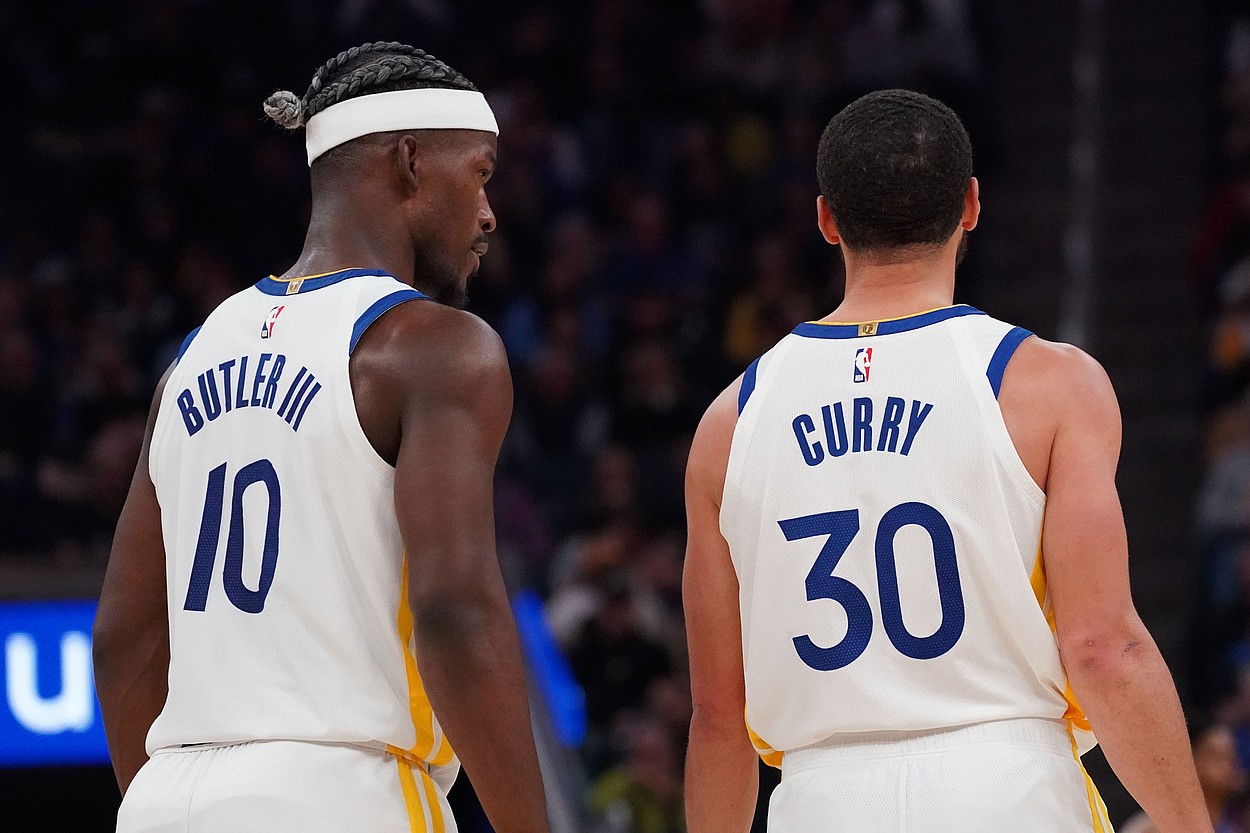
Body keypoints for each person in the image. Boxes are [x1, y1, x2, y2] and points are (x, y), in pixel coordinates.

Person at [682, 89, 1211, 833]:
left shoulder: (729, 421)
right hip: (1007, 783)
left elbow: (715, 714)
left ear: (827, 219)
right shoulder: (1050, 383)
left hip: (818, 797)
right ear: (970, 206)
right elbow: (1102, 646)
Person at [92, 41, 550, 833]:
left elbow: (122, 637)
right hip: (343, 791)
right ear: (409, 161)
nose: (488, 213)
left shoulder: (191, 358)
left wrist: (174, 802)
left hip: (166, 796)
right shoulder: (435, 346)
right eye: (479, 173)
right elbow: (453, 609)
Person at [1120, 717, 1247, 833]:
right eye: (1216, 757)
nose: (1228, 765)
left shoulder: (1240, 823)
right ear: (1190, 760)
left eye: (1231, 757)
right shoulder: (1151, 828)